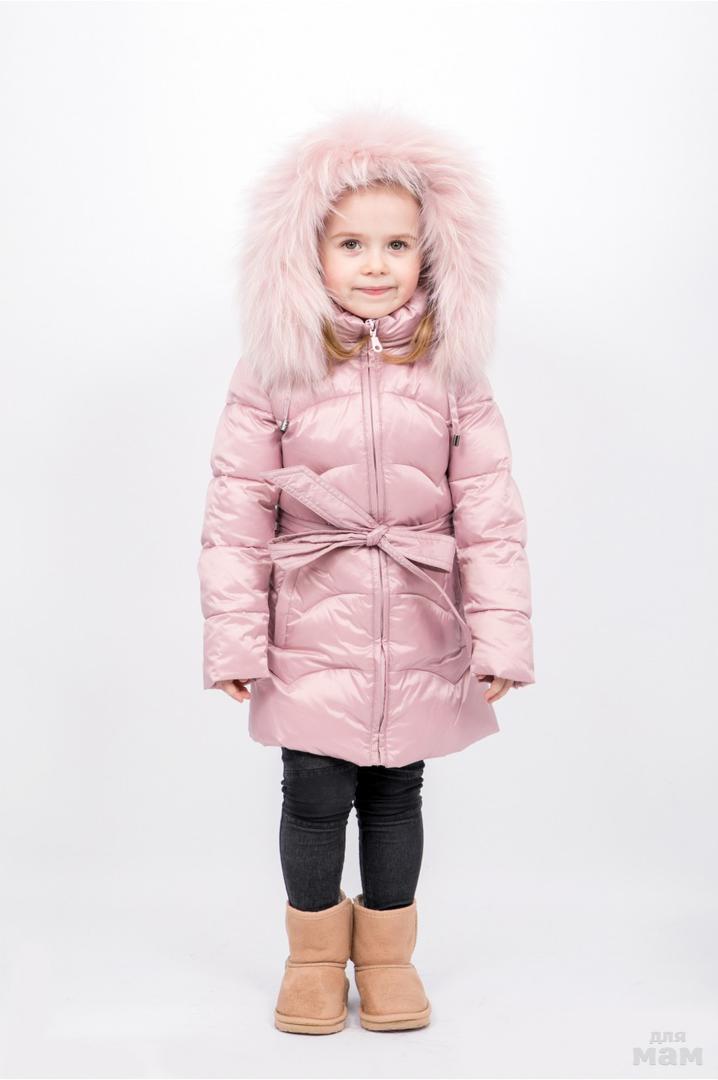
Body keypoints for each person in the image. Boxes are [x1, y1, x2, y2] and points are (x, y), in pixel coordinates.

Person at [196, 108, 535, 1035]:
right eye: (352, 243)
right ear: (308, 253)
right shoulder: (274, 369)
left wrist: (501, 635)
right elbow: (236, 510)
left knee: (396, 793)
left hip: (420, 621)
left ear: (433, 254)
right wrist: (234, 637)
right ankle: (312, 958)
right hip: (310, 621)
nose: (376, 264)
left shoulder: (454, 373)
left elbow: (491, 513)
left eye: (397, 244)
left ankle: (387, 958)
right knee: (313, 792)